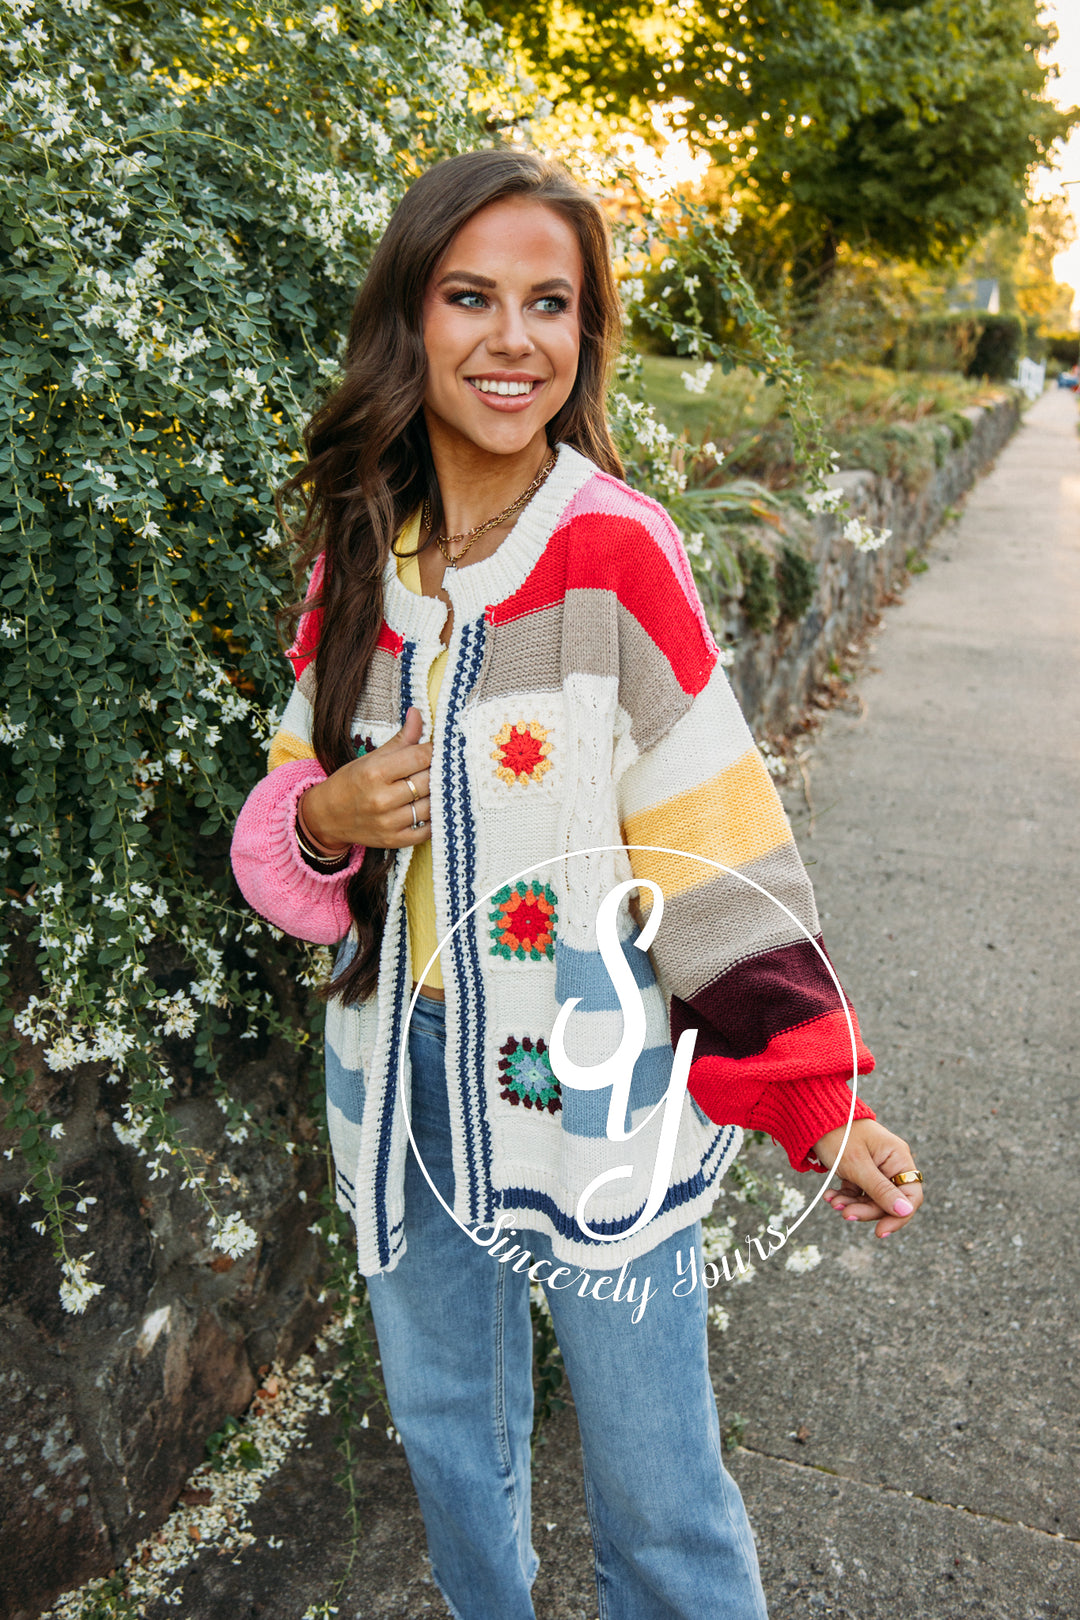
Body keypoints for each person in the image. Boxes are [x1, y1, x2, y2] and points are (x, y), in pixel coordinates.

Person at [230, 148, 923, 1620]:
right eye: (471, 296)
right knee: (445, 1444)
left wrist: (816, 1098)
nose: (513, 338)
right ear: (410, 319)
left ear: (586, 335)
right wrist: (331, 810)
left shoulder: (615, 552)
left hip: (593, 1093)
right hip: (399, 1083)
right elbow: (290, 810)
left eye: (552, 303)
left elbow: (711, 833)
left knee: (661, 1491)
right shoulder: (359, 555)